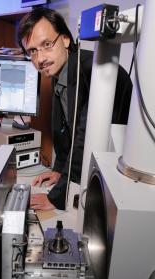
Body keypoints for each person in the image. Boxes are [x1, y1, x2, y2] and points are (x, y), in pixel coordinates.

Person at [18, 7, 132, 211]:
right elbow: (64, 132)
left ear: (65, 40)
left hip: (114, 180)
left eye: (46, 44)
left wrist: (57, 197)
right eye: (33, 51)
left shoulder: (92, 72)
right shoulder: (61, 69)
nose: (40, 58)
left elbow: (85, 138)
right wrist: (60, 171)